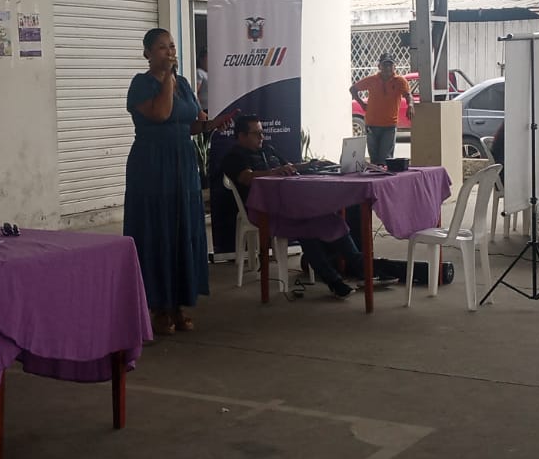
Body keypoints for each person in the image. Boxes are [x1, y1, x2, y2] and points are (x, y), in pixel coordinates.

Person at [126, 28, 233, 335]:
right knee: (157, 230)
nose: (170, 51)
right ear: (147, 53)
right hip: (152, 164)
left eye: (171, 46)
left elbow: (192, 125)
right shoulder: (141, 84)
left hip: (182, 163)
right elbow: (161, 114)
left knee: (182, 229)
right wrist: (167, 79)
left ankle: (179, 303)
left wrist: (212, 124)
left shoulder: (184, 83)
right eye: (162, 47)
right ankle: (157, 306)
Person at [221, 115, 358, 299]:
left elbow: (289, 167)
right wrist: (273, 172)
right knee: (304, 226)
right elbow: (247, 178)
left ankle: (359, 262)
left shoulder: (267, 149)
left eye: (262, 132)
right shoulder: (234, 157)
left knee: (329, 217)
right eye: (256, 133)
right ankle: (333, 280)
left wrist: (313, 164)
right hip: (264, 210)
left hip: (290, 204)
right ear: (241, 136)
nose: (262, 137)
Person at [350, 55, 413, 166]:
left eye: (390, 65)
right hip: (371, 125)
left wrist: (410, 105)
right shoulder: (372, 80)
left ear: (394, 67)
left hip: (389, 125)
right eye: (385, 65)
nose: (387, 68)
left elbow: (408, 95)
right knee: (374, 160)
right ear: (379, 66)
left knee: (386, 160)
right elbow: (353, 89)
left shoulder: (400, 81)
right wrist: (362, 103)